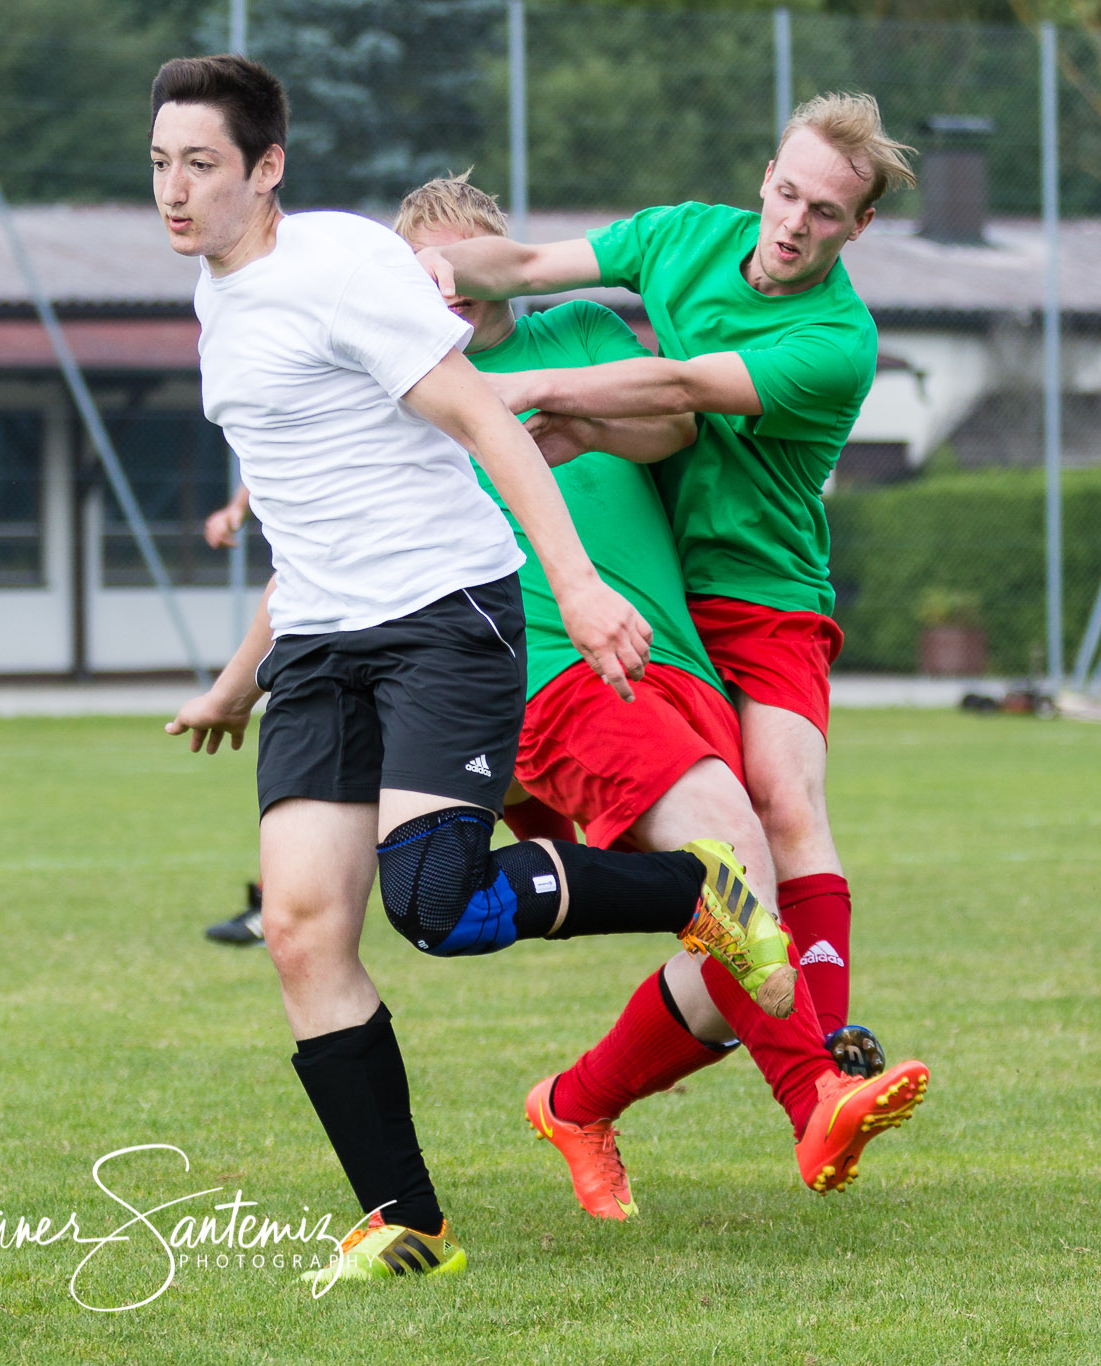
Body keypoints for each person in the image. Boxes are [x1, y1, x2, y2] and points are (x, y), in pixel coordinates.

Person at [149, 55, 794, 1286]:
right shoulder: (213, 297)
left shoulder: (341, 267)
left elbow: (490, 421)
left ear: (265, 168)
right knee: (296, 930)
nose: (175, 191)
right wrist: (241, 675)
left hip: (446, 615)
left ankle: (692, 891)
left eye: (202, 166)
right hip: (325, 644)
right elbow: (301, 502)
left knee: (431, 905)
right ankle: (407, 1223)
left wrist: (584, 585)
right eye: (161, 166)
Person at [393, 174, 926, 1219]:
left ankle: (574, 1102)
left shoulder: (581, 326)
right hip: (557, 668)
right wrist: (248, 674)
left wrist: (562, 408)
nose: (449, 291)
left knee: (736, 922)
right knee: (729, 854)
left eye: (464, 265)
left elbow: (671, 428)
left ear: (500, 259)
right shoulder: (411, 389)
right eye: (425, 274)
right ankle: (815, 1090)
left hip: (671, 656)